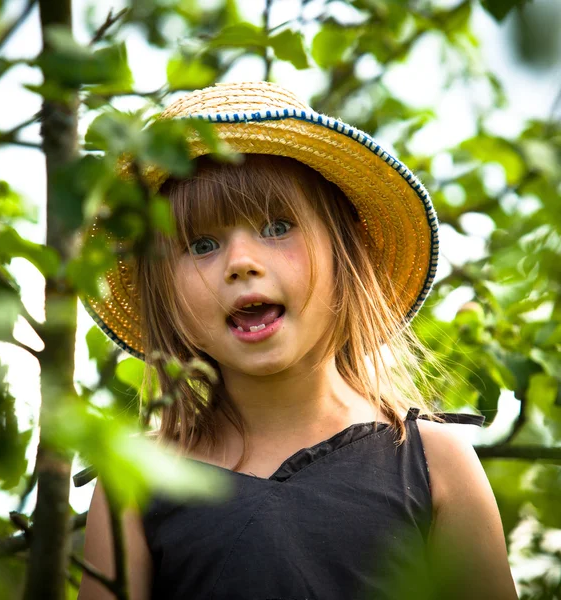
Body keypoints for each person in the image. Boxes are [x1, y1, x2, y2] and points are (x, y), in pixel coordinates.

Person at [76, 81, 518, 600]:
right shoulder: (133, 484)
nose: (241, 263)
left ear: (345, 253)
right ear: (162, 290)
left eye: (277, 226)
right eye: (201, 244)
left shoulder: (435, 463)